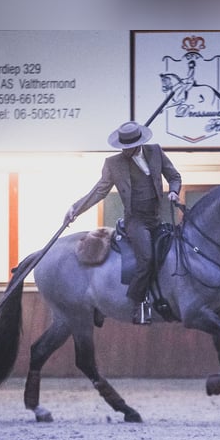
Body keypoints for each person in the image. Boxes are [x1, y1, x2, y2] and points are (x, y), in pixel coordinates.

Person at [64, 121, 182, 324]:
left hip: (156, 219)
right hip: (136, 221)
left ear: (138, 144)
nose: (125, 151)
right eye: (123, 148)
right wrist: (76, 208)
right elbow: (99, 191)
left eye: (129, 147)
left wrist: (173, 190)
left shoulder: (155, 152)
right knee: (146, 259)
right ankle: (136, 304)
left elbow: (174, 176)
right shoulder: (113, 164)